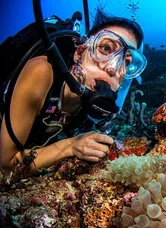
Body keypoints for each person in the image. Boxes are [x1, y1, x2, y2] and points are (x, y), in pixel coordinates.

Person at [0, 10, 147, 177]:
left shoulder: (99, 104)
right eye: (105, 48)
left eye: (126, 62)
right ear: (79, 52)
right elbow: (6, 165)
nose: (113, 68)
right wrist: (70, 146)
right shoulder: (41, 72)